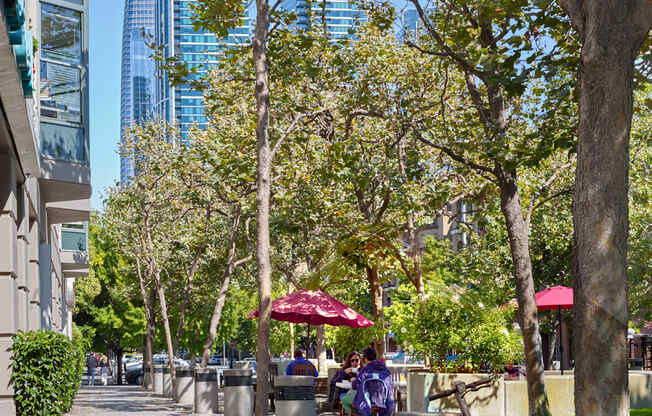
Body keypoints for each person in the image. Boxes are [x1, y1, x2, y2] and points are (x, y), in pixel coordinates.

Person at [341, 348, 394, 416]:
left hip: (367, 402)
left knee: (344, 400)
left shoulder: (365, 370)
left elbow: (354, 386)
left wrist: (354, 379)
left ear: (365, 358)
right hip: (385, 403)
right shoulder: (386, 371)